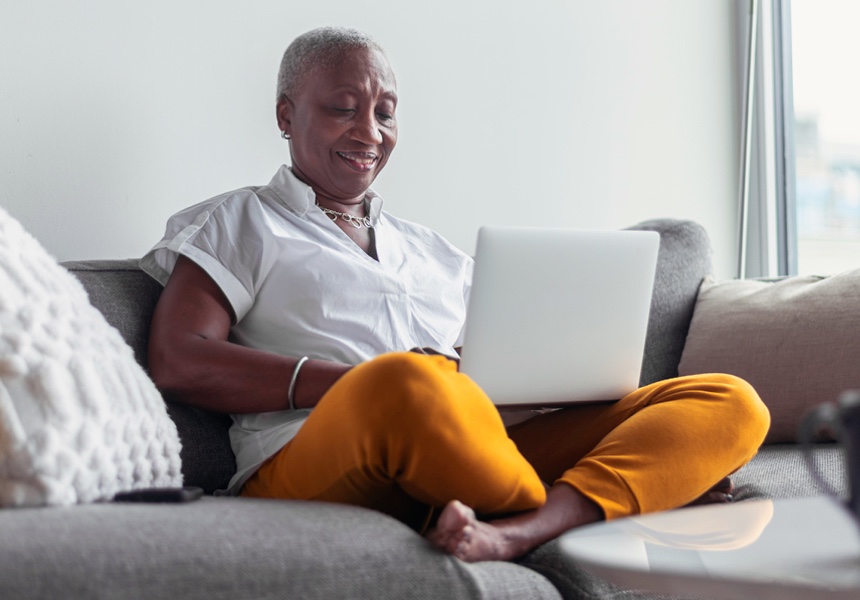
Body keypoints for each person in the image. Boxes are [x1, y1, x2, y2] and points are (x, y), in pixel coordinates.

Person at [141, 26, 770, 563]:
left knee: (730, 399)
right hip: (316, 455)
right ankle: (625, 495)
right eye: (343, 108)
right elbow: (180, 357)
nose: (369, 131)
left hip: (474, 443)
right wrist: (352, 383)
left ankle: (524, 526)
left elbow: (491, 370)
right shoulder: (240, 221)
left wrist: (538, 378)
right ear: (286, 115)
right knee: (408, 384)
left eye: (385, 113)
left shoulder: (434, 251)